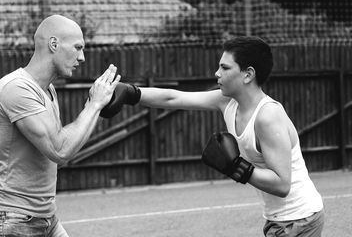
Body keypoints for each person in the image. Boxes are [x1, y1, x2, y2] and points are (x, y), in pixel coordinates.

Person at [102, 36, 324, 236]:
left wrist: (236, 166)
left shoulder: (267, 116)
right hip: (278, 221)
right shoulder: (228, 101)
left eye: (224, 68)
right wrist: (131, 93)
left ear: (248, 74)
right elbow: (174, 99)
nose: (217, 73)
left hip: (299, 221)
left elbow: (282, 185)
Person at [0, 14, 121, 236]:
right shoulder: (16, 88)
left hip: (46, 217)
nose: (82, 57)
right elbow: (60, 150)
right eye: (77, 47)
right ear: (54, 44)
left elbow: (60, 152)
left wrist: (97, 105)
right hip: (14, 219)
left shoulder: (47, 90)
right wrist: (94, 105)